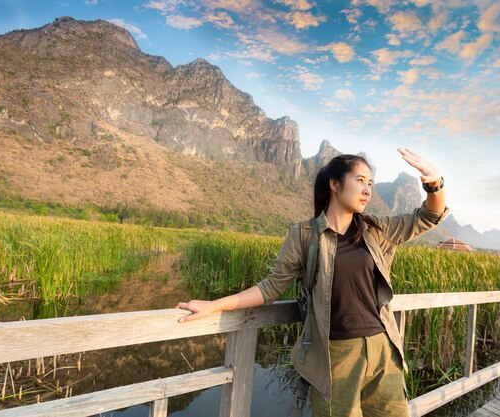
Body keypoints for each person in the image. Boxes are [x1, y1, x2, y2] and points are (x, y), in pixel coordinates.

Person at [176, 148, 448, 417]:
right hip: (335, 356)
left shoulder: (376, 229)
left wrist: (434, 183)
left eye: (370, 184)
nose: (367, 190)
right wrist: (215, 305)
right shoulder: (304, 235)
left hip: (382, 349)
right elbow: (270, 287)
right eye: (360, 180)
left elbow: (428, 217)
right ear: (334, 184)